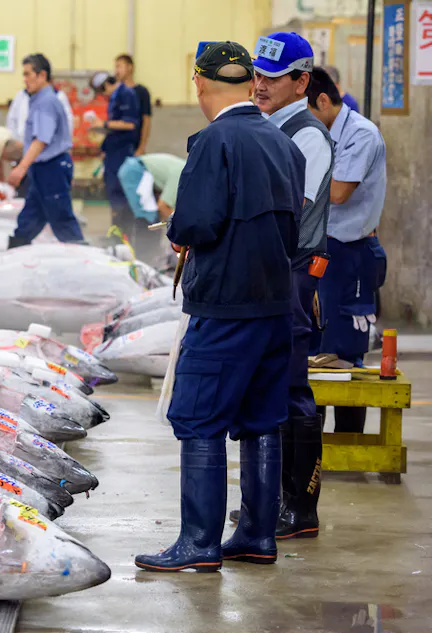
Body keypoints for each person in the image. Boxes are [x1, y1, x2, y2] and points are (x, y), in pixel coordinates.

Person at [135, 41, 305, 573]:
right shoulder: (284, 143)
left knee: (199, 419)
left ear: (199, 82)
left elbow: (197, 222)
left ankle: (199, 542)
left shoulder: (214, 141)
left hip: (226, 306)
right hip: (276, 304)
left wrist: (182, 232)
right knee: (262, 419)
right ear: (250, 81)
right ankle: (257, 534)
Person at [248, 32, 334, 541]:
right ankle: (268, 501)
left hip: (295, 273)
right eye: (257, 74)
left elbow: (288, 212)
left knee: (292, 388)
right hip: (266, 273)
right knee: (265, 384)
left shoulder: (306, 135)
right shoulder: (264, 125)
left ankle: (300, 507)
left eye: (272, 78)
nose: (260, 85)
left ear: (302, 81)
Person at [307, 66, 387, 435]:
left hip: (349, 253)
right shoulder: (319, 131)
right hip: (320, 248)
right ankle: (312, 448)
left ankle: (349, 442)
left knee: (344, 354)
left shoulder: (361, 134)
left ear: (323, 101)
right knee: (313, 350)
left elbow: (338, 193)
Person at [5, 53, 85, 248]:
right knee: (30, 217)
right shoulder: (38, 100)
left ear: (42, 76)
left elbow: (41, 139)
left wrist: (21, 167)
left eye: (27, 74)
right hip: (43, 168)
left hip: (52, 168)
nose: (25, 80)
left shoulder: (46, 102)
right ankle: (16, 248)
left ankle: (84, 260)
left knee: (61, 219)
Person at [89, 71, 139, 230]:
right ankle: (117, 231)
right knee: (113, 194)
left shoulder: (126, 94)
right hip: (113, 153)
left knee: (120, 194)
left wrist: (104, 125)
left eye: (102, 92)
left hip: (121, 153)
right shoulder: (116, 96)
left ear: (106, 85)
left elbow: (130, 124)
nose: (103, 96)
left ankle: (123, 233)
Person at [116, 153, 186, 225]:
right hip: (136, 170)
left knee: (152, 220)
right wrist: (183, 226)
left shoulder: (188, 169)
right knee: (148, 218)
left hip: (135, 167)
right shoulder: (182, 176)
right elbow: (163, 206)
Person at [116, 54, 153, 155]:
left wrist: (142, 147)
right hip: (117, 147)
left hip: (134, 146)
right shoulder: (116, 93)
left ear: (130, 67)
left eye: (119, 66)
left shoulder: (142, 92)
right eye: (115, 67)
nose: (116, 71)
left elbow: (146, 120)